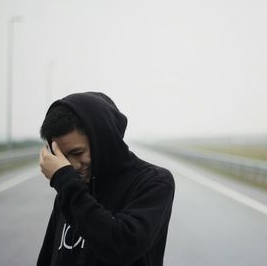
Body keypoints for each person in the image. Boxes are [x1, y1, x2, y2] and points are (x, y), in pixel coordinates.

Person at [37, 92, 175, 266]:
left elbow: (122, 247)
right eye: (63, 157)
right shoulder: (70, 188)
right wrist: (66, 184)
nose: (72, 166)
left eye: (77, 153)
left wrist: (65, 182)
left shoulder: (154, 182)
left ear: (103, 140)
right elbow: (48, 256)